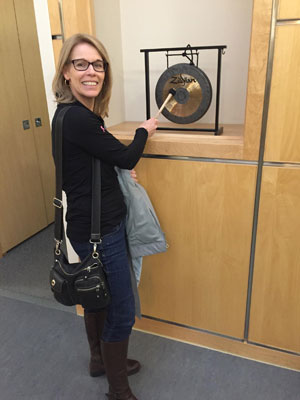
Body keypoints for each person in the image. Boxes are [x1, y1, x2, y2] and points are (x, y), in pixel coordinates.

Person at [52, 33, 157, 400]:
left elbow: (94, 162)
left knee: (98, 297)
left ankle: (101, 360)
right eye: (81, 64)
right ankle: (118, 389)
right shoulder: (80, 119)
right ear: (66, 71)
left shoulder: (70, 115)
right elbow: (126, 156)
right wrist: (145, 131)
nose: (91, 71)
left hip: (88, 225)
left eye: (98, 65)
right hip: (101, 231)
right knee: (122, 309)